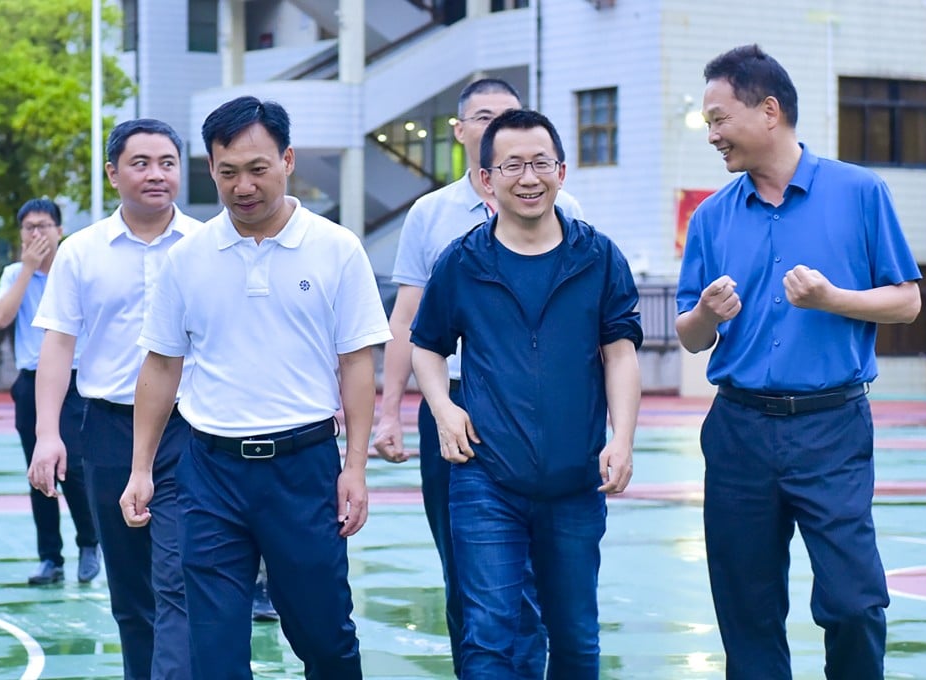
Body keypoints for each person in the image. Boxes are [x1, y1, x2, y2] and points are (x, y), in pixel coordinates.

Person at [120, 95, 391, 679]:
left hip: (305, 467)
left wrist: (356, 467)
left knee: (324, 637)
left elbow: (357, 363)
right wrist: (141, 467)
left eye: (257, 169)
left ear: (287, 159)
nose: (243, 186)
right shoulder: (187, 257)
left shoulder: (336, 248)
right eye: (227, 172)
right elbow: (161, 367)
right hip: (210, 471)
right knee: (212, 652)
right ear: (212, 170)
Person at [676, 44, 922, 679]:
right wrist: (706, 312)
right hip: (738, 431)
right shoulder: (710, 216)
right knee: (747, 610)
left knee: (853, 602)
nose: (712, 135)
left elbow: (907, 302)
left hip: (831, 428)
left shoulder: (860, 192)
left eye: (718, 118)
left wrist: (832, 298)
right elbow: (688, 335)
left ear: (769, 110)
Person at [410, 109, 643, 679]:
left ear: (561, 171)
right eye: (512, 165)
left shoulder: (598, 257)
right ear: (487, 179)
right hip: (485, 476)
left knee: (575, 639)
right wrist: (443, 408)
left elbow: (620, 352)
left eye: (541, 163)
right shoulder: (463, 263)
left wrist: (623, 438)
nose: (529, 177)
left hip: (574, 480)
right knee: (489, 636)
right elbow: (426, 346)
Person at [373, 77, 582, 678]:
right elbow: (408, 320)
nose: (500, 127)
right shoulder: (431, 215)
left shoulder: (567, 209)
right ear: (463, 132)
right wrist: (392, 411)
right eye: (486, 118)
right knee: (469, 567)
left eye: (512, 116)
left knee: (543, 573)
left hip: (541, 405)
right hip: (455, 405)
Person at [28, 119, 201, 680]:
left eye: (167, 163)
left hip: (190, 430)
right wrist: (49, 434)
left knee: (177, 576)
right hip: (106, 429)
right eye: (141, 163)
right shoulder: (81, 252)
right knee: (130, 589)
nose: (156, 174)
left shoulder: (208, 246)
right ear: (113, 172)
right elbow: (57, 346)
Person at [0, 198, 100, 586]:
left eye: (43, 226)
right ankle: (49, 559)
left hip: (73, 382)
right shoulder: (13, 274)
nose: (36, 234)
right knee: (38, 471)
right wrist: (28, 271)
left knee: (73, 469)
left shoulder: (75, 272)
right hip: (30, 382)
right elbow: (1, 317)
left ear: (59, 230)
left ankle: (89, 542)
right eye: (29, 228)